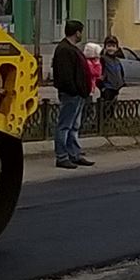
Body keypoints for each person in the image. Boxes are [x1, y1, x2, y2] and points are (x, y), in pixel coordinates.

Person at [50, 19, 94, 168]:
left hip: (78, 94)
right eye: (81, 31)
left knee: (74, 126)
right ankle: (62, 156)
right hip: (71, 94)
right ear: (77, 32)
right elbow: (65, 76)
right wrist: (75, 90)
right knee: (65, 126)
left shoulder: (71, 48)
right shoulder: (64, 50)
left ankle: (74, 154)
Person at [98, 36, 126, 127]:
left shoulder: (117, 61)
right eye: (109, 46)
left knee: (112, 108)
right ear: (105, 47)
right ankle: (102, 126)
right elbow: (99, 74)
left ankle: (109, 124)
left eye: (113, 46)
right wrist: (102, 87)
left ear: (117, 48)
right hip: (107, 88)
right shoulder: (103, 59)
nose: (111, 48)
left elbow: (121, 73)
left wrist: (121, 84)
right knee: (105, 108)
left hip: (116, 88)